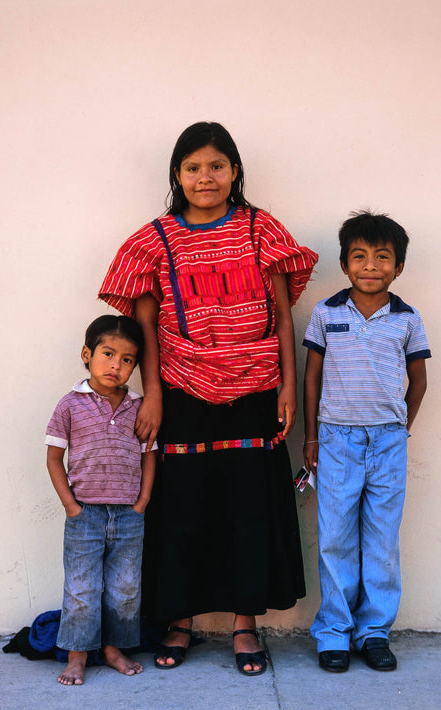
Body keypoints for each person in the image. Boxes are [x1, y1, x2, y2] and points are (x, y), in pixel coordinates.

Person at [98, 122, 318, 676]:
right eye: (193, 167)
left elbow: (282, 312)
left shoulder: (260, 230)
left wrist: (288, 385)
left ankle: (246, 624)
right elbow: (144, 320)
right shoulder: (154, 240)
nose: (205, 177)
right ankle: (180, 619)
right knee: (182, 511)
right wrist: (151, 396)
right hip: (180, 392)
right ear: (177, 174)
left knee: (250, 508)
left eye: (217, 166)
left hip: (256, 388)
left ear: (235, 171)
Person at [302, 211, 430, 673]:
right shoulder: (326, 312)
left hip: (390, 444)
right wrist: (313, 436)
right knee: (335, 537)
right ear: (344, 264)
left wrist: (400, 427)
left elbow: (419, 380)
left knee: (380, 540)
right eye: (359, 256)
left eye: (382, 257)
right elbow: (311, 376)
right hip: (336, 438)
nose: (370, 266)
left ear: (398, 267)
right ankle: (334, 632)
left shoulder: (407, 319)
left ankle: (374, 632)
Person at [45, 315, 156, 685]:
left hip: (128, 515)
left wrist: (142, 502)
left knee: (125, 588)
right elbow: (53, 458)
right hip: (85, 514)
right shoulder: (70, 405)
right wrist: (70, 506)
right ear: (87, 354)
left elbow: (149, 454)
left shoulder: (139, 406)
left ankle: (112, 648)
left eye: (127, 360)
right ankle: (78, 655)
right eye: (108, 354)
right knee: (81, 588)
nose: (116, 365)